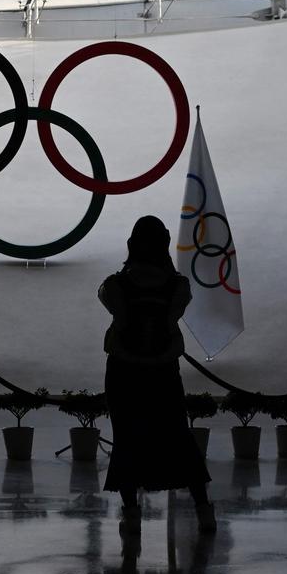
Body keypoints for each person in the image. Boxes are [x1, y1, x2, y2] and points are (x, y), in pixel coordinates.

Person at [99, 215, 215, 537]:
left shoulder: (115, 286)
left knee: (126, 440)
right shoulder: (177, 287)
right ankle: (203, 510)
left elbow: (116, 323)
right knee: (178, 436)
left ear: (131, 245)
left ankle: (132, 514)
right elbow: (173, 326)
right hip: (163, 373)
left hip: (124, 373)